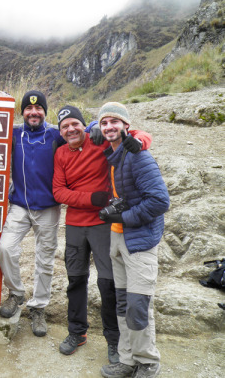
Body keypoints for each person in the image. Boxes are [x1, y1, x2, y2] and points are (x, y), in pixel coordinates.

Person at [52, 105, 152, 364]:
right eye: (65, 126)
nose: (70, 129)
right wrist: (90, 199)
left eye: (75, 124)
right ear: (60, 132)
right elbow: (59, 191)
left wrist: (141, 140)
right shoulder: (61, 153)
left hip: (102, 224)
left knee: (108, 284)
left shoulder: (99, 141)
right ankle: (77, 332)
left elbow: (135, 135)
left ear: (83, 125)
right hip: (75, 225)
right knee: (75, 280)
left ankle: (113, 340)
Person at [97, 102, 169, 378]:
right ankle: (128, 360)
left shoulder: (139, 156)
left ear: (127, 125)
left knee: (138, 304)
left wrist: (123, 216)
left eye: (115, 122)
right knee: (123, 303)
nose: (109, 127)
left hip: (139, 241)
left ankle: (148, 362)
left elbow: (160, 201)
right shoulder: (116, 153)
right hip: (118, 239)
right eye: (104, 123)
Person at [0, 90, 67, 336]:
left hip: (48, 207)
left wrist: (94, 126)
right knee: (5, 248)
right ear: (23, 112)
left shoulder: (56, 134)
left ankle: (38, 307)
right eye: (28, 108)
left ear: (45, 112)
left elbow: (81, 132)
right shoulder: (14, 134)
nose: (33, 112)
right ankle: (16, 293)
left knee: (45, 260)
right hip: (19, 204)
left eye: (38, 109)